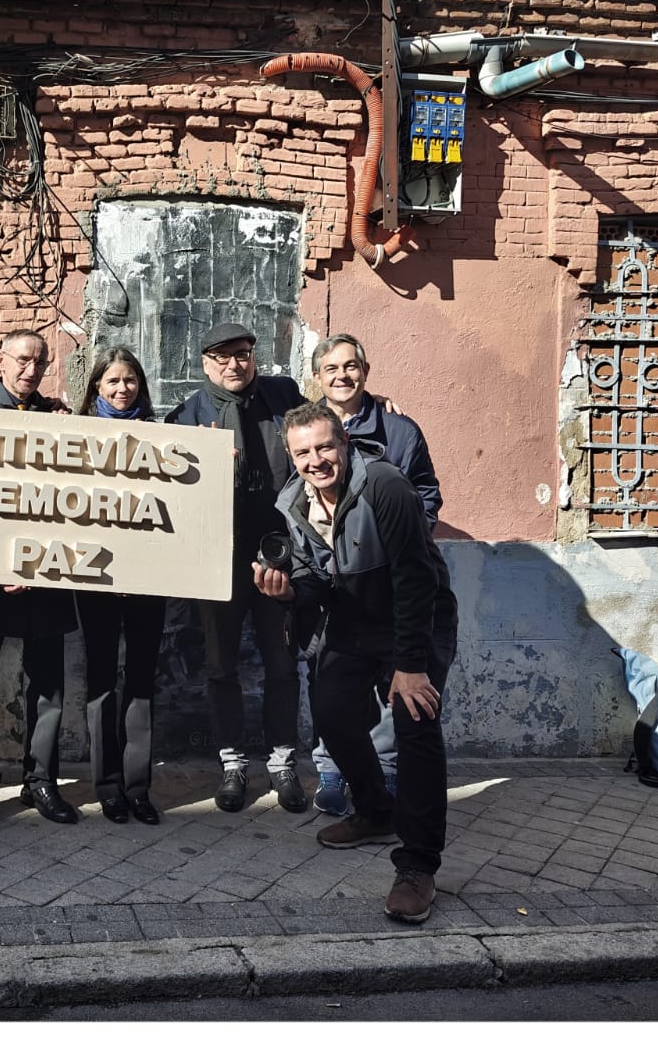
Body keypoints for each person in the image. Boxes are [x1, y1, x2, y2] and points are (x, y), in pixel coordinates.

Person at [255, 402, 457, 924]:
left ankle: (417, 865)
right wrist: (283, 594)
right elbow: (314, 583)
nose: (315, 460)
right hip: (352, 621)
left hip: (414, 618)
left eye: (324, 447)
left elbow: (414, 576)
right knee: (333, 714)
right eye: (303, 452)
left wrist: (410, 665)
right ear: (291, 456)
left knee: (416, 726)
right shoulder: (294, 503)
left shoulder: (385, 485)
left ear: (344, 444)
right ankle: (374, 811)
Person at [166, 321, 307, 814]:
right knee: (222, 666)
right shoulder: (187, 414)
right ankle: (232, 764)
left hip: (278, 555)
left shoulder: (284, 395)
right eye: (222, 356)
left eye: (243, 354)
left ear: (254, 357)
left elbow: (328, 427)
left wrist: (380, 404)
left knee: (282, 663)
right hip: (218, 560)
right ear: (205, 362)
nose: (234, 364)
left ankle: (284, 762)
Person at [306, 332, 444, 816]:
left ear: (366, 371)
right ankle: (331, 767)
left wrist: (409, 534)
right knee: (327, 677)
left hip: (391, 579)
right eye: (331, 370)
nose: (342, 377)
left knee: (395, 681)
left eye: (351, 367)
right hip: (333, 581)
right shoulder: (308, 429)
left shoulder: (400, 431)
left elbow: (426, 490)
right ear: (317, 378)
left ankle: (384, 770)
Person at [0, 329, 79, 834]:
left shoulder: (60, 421)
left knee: (47, 682)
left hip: (46, 574)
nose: (30, 370)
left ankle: (41, 780)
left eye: (39, 363)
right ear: (0, 360)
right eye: (21, 360)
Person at [74, 346, 166, 825]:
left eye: (130, 380)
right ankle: (107, 786)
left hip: (149, 580)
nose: (122, 389)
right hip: (94, 580)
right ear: (96, 388)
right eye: (111, 381)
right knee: (103, 680)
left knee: (143, 681)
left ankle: (138, 786)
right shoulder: (75, 435)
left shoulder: (162, 437)